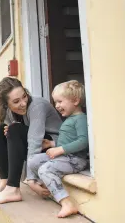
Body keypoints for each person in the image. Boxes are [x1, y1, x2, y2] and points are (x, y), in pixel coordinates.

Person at [0, 77, 62, 208]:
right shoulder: (9, 112)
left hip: (53, 145)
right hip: (38, 148)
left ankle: (13, 189)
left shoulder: (37, 105)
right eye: (16, 101)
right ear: (6, 104)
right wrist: (9, 133)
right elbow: (13, 141)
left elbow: (34, 141)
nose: (23, 103)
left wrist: (31, 179)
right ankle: (5, 182)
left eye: (24, 96)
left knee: (14, 129)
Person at [27, 80, 89, 218]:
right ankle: (47, 184)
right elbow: (68, 141)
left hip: (76, 159)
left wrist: (60, 150)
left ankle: (66, 202)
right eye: (55, 102)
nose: (57, 106)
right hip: (66, 157)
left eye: (60, 101)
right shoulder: (69, 119)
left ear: (75, 101)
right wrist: (51, 144)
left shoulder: (80, 119)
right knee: (33, 161)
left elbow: (83, 142)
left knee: (45, 169)